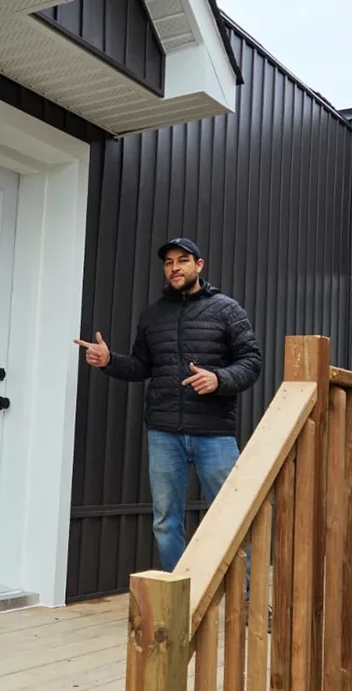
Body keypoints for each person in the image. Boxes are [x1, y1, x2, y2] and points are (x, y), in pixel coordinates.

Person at [74, 237, 262, 577]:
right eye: (168, 262)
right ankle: (180, 597)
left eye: (183, 260)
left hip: (214, 433)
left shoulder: (227, 309)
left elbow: (252, 361)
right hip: (163, 434)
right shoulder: (152, 315)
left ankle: (244, 595)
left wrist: (219, 379)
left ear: (199, 265)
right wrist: (108, 361)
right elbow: (141, 366)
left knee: (232, 514)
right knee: (165, 521)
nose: (175, 267)